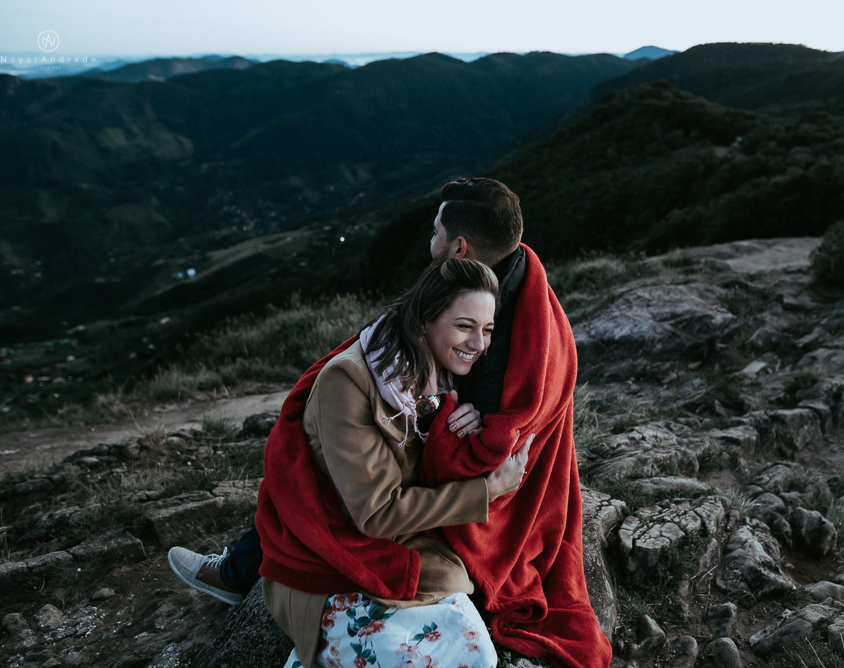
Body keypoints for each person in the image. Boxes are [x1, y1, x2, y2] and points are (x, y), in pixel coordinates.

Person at [168, 178, 611, 668]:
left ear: (458, 248)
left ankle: (237, 570)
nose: (477, 342)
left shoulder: (494, 344)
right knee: (318, 462)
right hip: (382, 495)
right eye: (465, 327)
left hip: (411, 505)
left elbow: (478, 447)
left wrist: (466, 429)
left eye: (435, 231)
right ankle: (241, 570)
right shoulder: (505, 276)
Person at [258, 258, 531, 668]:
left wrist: (464, 416)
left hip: (400, 547)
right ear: (423, 320)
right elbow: (377, 511)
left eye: (487, 329)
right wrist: (486, 491)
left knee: (478, 653)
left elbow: (428, 438)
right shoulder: (348, 382)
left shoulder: (439, 373)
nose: (479, 343)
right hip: (333, 559)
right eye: (464, 326)